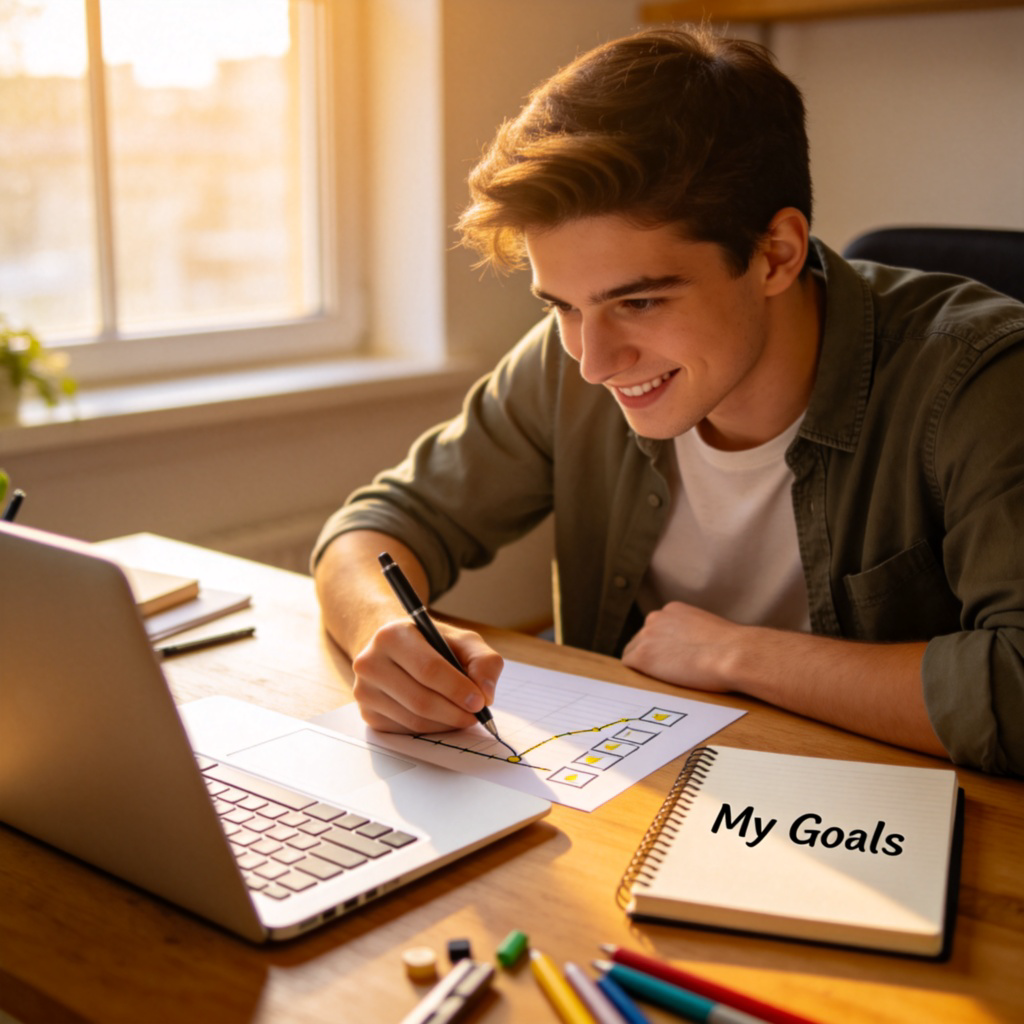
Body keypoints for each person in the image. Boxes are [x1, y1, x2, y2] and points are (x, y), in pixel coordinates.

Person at [313, 27, 1024, 776]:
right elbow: (378, 527)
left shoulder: (981, 380)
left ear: (776, 253)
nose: (593, 362)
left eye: (641, 301)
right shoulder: (571, 362)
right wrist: (383, 631)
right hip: (642, 791)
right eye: (561, 305)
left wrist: (738, 654)